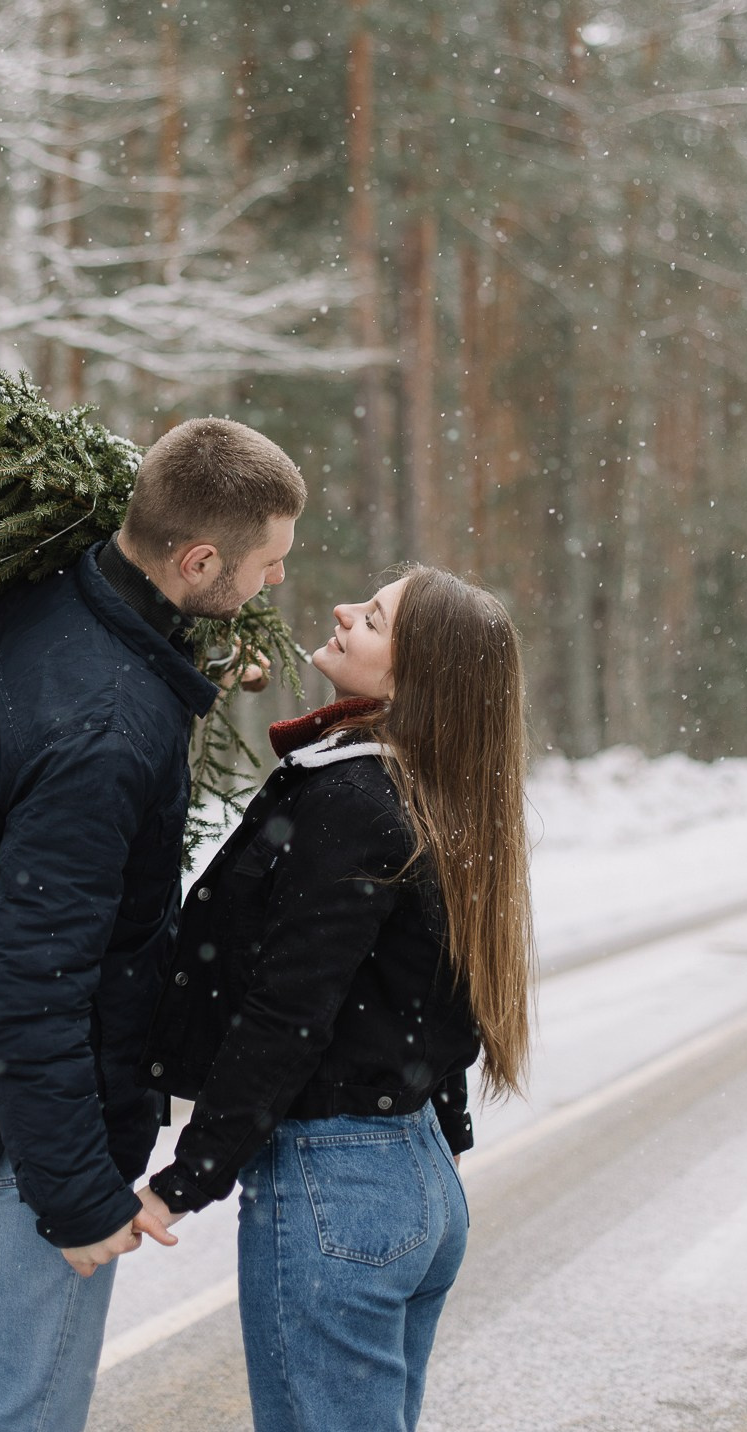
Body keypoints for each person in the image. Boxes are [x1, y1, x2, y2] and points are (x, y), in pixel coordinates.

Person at [0, 416, 306, 1432]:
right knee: (19, 1409)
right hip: (31, 1129)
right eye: (267, 563)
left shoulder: (50, 605)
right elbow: (31, 987)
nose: (278, 581)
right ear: (198, 561)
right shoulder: (107, 732)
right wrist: (72, 1194)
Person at [137, 565, 534, 1432]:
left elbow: (288, 1012)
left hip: (339, 1187)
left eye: (376, 617)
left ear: (413, 677)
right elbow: (431, 994)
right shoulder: (432, 794)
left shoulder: (354, 799)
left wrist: (186, 1178)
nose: (345, 610)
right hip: (414, 1179)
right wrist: (443, 1134)